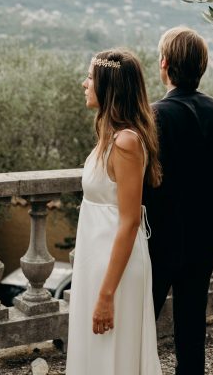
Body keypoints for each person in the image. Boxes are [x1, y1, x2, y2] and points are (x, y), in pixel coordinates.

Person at [143, 27, 213, 375]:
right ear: (202, 66)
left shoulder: (153, 116)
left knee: (141, 326)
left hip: (158, 243)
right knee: (192, 330)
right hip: (203, 239)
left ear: (164, 63)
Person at [66, 49, 163, 375]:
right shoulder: (108, 138)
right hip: (96, 263)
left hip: (115, 270)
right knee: (95, 355)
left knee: (112, 358)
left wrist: (106, 294)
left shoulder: (126, 143)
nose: (85, 83)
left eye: (91, 77)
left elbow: (130, 220)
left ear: (109, 86)